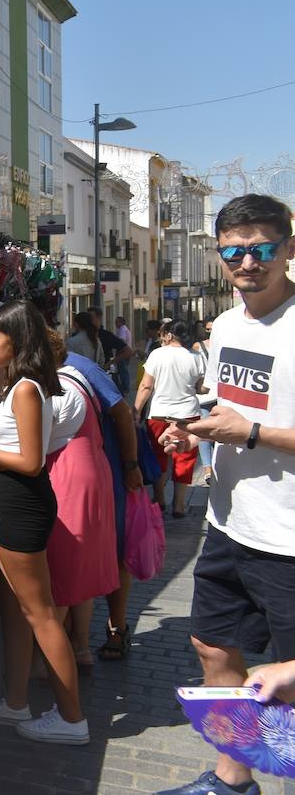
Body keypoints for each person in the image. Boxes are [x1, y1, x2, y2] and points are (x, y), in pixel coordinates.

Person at [158, 195, 295, 795]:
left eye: (262, 248)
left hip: (289, 540)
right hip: (229, 522)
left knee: (288, 680)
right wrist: (193, 430)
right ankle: (232, 780)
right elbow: (226, 409)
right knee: (213, 647)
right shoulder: (227, 326)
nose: (248, 262)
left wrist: (253, 432)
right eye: (234, 251)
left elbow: (248, 423)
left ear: (289, 249)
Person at [0, 300, 88, 745]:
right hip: (15, 503)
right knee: (22, 609)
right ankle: (17, 701)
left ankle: (72, 719)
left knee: (40, 614)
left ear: (17, 341)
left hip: (23, 504)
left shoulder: (26, 389)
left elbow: (29, 461)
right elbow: (18, 439)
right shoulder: (21, 387)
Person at [43, 329, 119, 664]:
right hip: (91, 469)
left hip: (68, 475)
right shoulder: (77, 377)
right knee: (79, 568)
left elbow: (33, 442)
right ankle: (81, 648)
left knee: (62, 568)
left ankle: (46, 662)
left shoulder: (57, 389)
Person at [135, 320, 204, 517]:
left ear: (169, 335)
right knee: (185, 458)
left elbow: (146, 386)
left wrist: (136, 410)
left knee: (158, 456)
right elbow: (200, 388)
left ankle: (160, 499)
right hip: (187, 414)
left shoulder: (157, 354)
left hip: (159, 413)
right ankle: (179, 505)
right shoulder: (196, 356)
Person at [192, 317, 217, 484]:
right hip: (206, 395)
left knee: (218, 434)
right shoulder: (197, 346)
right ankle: (208, 469)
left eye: (212, 329)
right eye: (207, 329)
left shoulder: (224, 343)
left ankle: (216, 465)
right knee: (204, 432)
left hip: (221, 395)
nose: (210, 332)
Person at [90, 306, 135, 394]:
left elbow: (126, 348)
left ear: (99, 318)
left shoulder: (109, 334)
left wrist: (108, 364)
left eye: (91, 318)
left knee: (123, 372)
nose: (115, 324)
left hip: (105, 372)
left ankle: (125, 388)